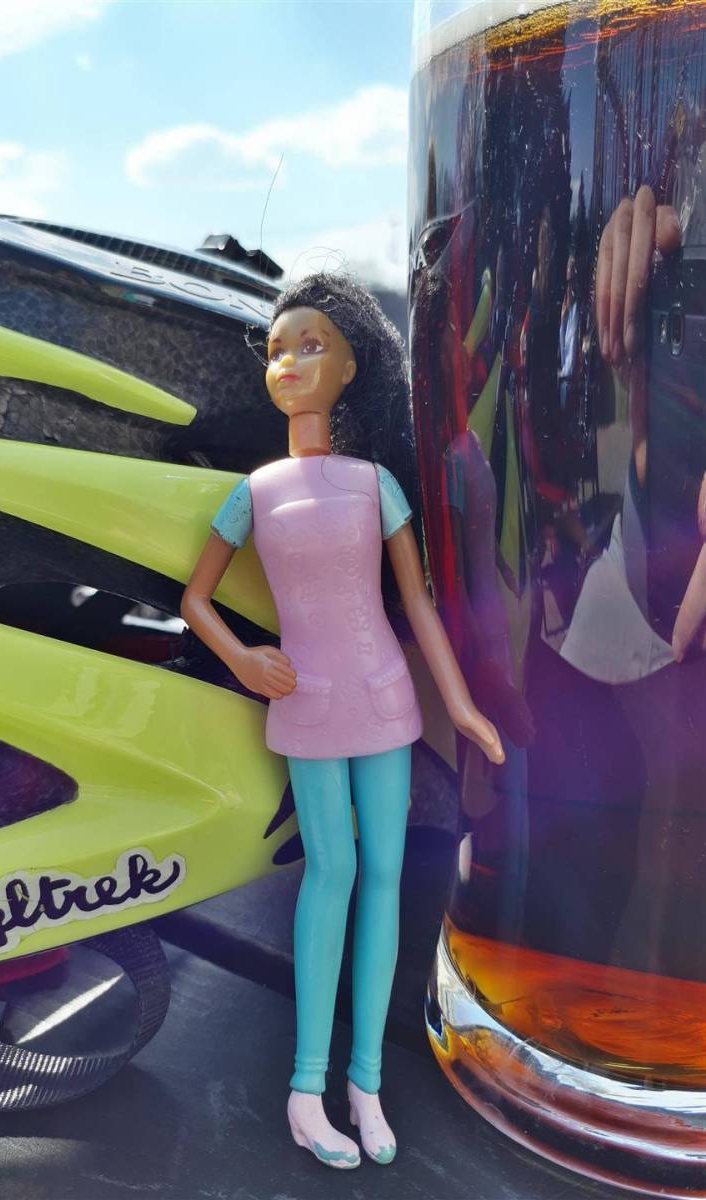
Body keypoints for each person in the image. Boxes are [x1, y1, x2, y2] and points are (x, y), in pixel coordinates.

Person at [181, 273, 503, 1169]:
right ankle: (305, 1090)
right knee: (332, 873)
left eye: (310, 345)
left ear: (352, 365)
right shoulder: (254, 492)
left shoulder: (375, 486)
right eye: (277, 350)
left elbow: (418, 604)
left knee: (387, 878)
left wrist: (460, 705)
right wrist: (244, 660)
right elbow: (196, 600)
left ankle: (366, 1083)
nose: (288, 363)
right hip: (308, 698)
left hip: (386, 695)